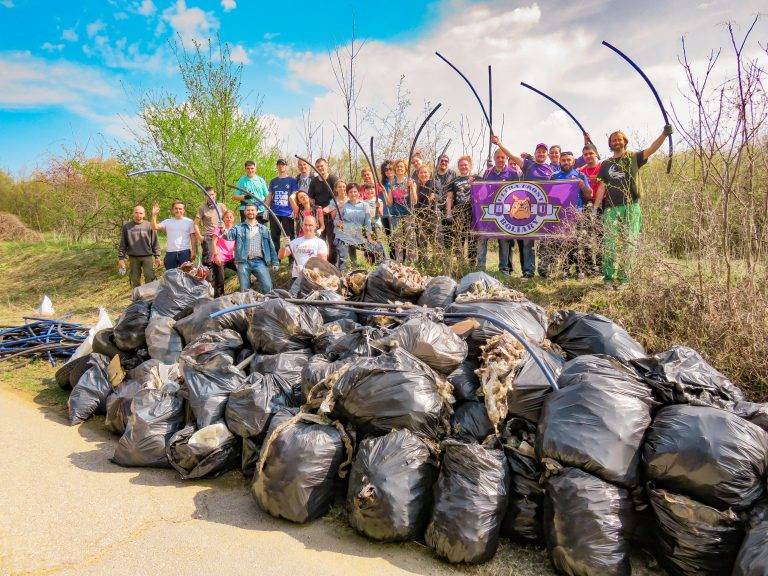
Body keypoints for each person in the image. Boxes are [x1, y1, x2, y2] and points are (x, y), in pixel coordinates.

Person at [594, 125, 673, 286]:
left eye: (619, 139)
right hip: (611, 208)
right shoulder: (606, 164)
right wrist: (596, 207)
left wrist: (664, 134)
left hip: (631, 206)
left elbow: (652, 149)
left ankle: (625, 279)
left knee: (629, 242)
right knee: (609, 243)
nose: (616, 142)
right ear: (610, 144)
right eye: (613, 140)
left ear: (624, 141)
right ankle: (608, 278)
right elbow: (602, 187)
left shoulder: (633, 157)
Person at [491, 136, 556, 279]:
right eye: (538, 151)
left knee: (545, 240)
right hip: (528, 210)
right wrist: (499, 143)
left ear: (547, 155)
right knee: (528, 241)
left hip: (545, 210)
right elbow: (510, 155)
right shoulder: (528, 165)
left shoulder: (551, 169)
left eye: (543, 152)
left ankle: (544, 271)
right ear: (535, 153)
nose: (541, 153)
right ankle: (528, 271)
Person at [551, 151, 593, 279]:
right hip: (561, 216)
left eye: (569, 160)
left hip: (577, 213)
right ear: (560, 162)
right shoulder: (554, 176)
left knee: (579, 244)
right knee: (564, 244)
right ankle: (565, 271)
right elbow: (549, 196)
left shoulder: (580, 175)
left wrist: (582, 186)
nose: (566, 162)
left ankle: (580, 271)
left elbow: (589, 194)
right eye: (563, 160)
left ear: (573, 161)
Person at [479, 148, 520, 275]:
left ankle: (504, 269)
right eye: (498, 157)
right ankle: (481, 267)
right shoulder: (487, 172)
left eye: (503, 157)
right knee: (482, 237)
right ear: (494, 158)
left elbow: (518, 193)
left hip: (506, 212)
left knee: (504, 239)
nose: (501, 160)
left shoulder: (513, 173)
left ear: (506, 159)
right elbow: (482, 189)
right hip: (489, 210)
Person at [223, 204, 278, 293]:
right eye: (248, 210)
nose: (250, 212)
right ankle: (246, 307)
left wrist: (275, 262)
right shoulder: (238, 228)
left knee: (268, 287)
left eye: (252, 210)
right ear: (244, 212)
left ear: (256, 212)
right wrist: (223, 228)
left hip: (260, 262)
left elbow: (271, 246)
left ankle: (265, 305)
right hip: (243, 262)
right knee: (245, 290)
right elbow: (228, 237)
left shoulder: (264, 229)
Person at [330, 183, 378, 272]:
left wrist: (369, 237)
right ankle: (343, 277)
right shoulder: (343, 206)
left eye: (355, 191)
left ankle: (374, 272)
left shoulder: (364, 205)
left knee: (377, 249)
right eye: (350, 192)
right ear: (347, 193)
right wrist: (338, 223)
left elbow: (367, 222)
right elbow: (335, 220)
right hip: (344, 236)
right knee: (344, 260)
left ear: (359, 192)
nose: (353, 194)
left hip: (358, 237)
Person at [279, 215, 329, 296]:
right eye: (305, 225)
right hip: (296, 277)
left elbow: (322, 264)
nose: (307, 227)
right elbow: (281, 256)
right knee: (294, 301)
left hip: (312, 279)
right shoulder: (295, 241)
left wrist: (306, 271)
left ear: (316, 226)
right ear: (302, 225)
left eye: (310, 225)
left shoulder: (320, 242)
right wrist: (283, 245)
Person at [118, 205, 161, 288]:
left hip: (147, 256)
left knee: (150, 277)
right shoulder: (127, 227)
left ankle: (150, 297)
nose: (138, 215)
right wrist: (121, 259)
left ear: (144, 214)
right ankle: (137, 299)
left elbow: (155, 242)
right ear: (133, 214)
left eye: (141, 213)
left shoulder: (149, 225)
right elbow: (123, 244)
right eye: (136, 213)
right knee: (134, 279)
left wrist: (157, 256)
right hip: (133, 257)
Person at [445, 155, 477, 265]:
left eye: (465, 165)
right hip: (459, 212)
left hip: (473, 212)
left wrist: (475, 183)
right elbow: (449, 198)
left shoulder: (476, 178)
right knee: (459, 238)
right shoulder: (454, 180)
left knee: (472, 238)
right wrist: (448, 213)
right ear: (458, 167)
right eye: (461, 165)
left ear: (470, 166)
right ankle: (460, 264)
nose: (463, 167)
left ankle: (472, 264)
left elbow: (485, 191)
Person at [384, 159, 417, 262]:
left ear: (405, 168)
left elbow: (415, 200)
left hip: (408, 215)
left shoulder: (410, 181)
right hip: (396, 215)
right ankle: (399, 263)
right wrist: (385, 192)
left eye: (401, 166)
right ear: (395, 169)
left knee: (410, 240)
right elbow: (389, 202)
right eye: (397, 166)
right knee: (398, 242)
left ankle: (412, 264)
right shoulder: (392, 183)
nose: (399, 168)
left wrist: (412, 188)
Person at [194, 187, 229, 284]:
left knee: (221, 261)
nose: (211, 197)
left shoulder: (221, 206)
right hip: (209, 237)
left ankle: (220, 287)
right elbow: (196, 223)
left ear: (215, 194)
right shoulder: (202, 208)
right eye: (208, 195)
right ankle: (208, 285)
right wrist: (200, 237)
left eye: (212, 194)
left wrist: (227, 230)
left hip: (221, 237)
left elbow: (228, 217)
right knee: (209, 261)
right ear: (205, 196)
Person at [307, 158, 339, 263]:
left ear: (326, 166)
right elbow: (311, 198)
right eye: (318, 167)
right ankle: (320, 263)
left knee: (332, 241)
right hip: (319, 215)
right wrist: (315, 207)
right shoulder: (314, 182)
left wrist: (329, 208)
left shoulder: (333, 179)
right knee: (320, 240)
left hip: (332, 214)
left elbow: (338, 197)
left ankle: (332, 263)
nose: (320, 168)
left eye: (322, 166)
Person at [150, 200, 196, 270]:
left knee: (186, 275)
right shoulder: (167, 221)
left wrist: (193, 251)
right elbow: (154, 227)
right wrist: (154, 215)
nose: (178, 210)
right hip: (170, 253)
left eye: (180, 209)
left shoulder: (189, 222)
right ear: (172, 210)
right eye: (176, 208)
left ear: (184, 210)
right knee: (171, 275)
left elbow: (193, 237)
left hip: (185, 252)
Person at [579, 142, 603, 275]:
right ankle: (589, 267)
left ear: (596, 154)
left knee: (600, 237)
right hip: (586, 205)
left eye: (591, 154)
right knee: (586, 236)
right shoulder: (581, 171)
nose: (588, 156)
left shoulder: (602, 167)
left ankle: (600, 265)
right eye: (585, 154)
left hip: (601, 205)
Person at [267, 158, 298, 255]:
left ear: (286, 166)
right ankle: (276, 258)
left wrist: (294, 209)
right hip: (274, 212)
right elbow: (270, 195)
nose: (281, 166)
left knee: (289, 236)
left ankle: (291, 258)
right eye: (279, 164)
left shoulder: (292, 180)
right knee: (274, 236)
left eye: (283, 164)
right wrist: (266, 208)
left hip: (287, 213)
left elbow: (294, 194)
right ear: (277, 166)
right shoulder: (273, 181)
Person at [209, 209, 237, 297]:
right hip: (219, 257)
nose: (229, 219)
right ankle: (218, 300)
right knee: (220, 281)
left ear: (233, 219)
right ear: (223, 219)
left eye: (230, 217)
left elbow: (236, 245)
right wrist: (216, 256)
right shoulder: (218, 228)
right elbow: (213, 242)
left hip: (230, 257)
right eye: (227, 217)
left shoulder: (235, 230)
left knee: (242, 270)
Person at [379, 160, 395, 259]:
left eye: (390, 169)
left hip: (395, 214)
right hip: (385, 214)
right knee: (389, 238)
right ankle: (392, 259)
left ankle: (401, 259)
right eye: (386, 170)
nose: (388, 171)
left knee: (397, 238)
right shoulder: (382, 183)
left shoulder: (398, 181)